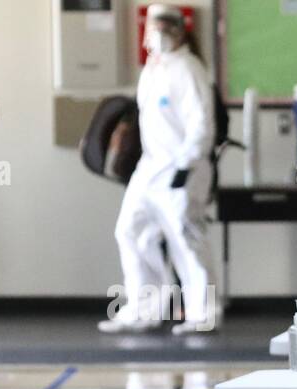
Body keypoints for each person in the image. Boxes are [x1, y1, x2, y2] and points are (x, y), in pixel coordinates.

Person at [102, 4, 219, 335]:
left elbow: (201, 125)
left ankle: (204, 313)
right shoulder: (153, 68)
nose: (159, 33)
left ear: (181, 30)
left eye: (166, 26)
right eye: (154, 26)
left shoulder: (188, 69)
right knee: (130, 230)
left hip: (183, 169)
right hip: (150, 168)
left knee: (187, 240)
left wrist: (186, 166)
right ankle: (143, 308)